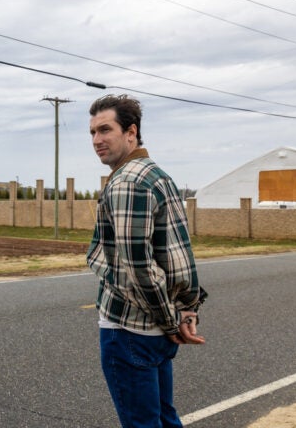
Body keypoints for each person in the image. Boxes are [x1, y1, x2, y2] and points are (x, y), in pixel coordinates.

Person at [86, 94, 207, 428]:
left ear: (131, 132)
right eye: (93, 132)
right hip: (154, 331)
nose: (96, 140)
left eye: (105, 130)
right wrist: (185, 310)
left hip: (129, 329)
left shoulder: (127, 182)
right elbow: (177, 257)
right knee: (165, 418)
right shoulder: (157, 175)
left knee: (144, 423)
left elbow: (138, 268)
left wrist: (171, 322)